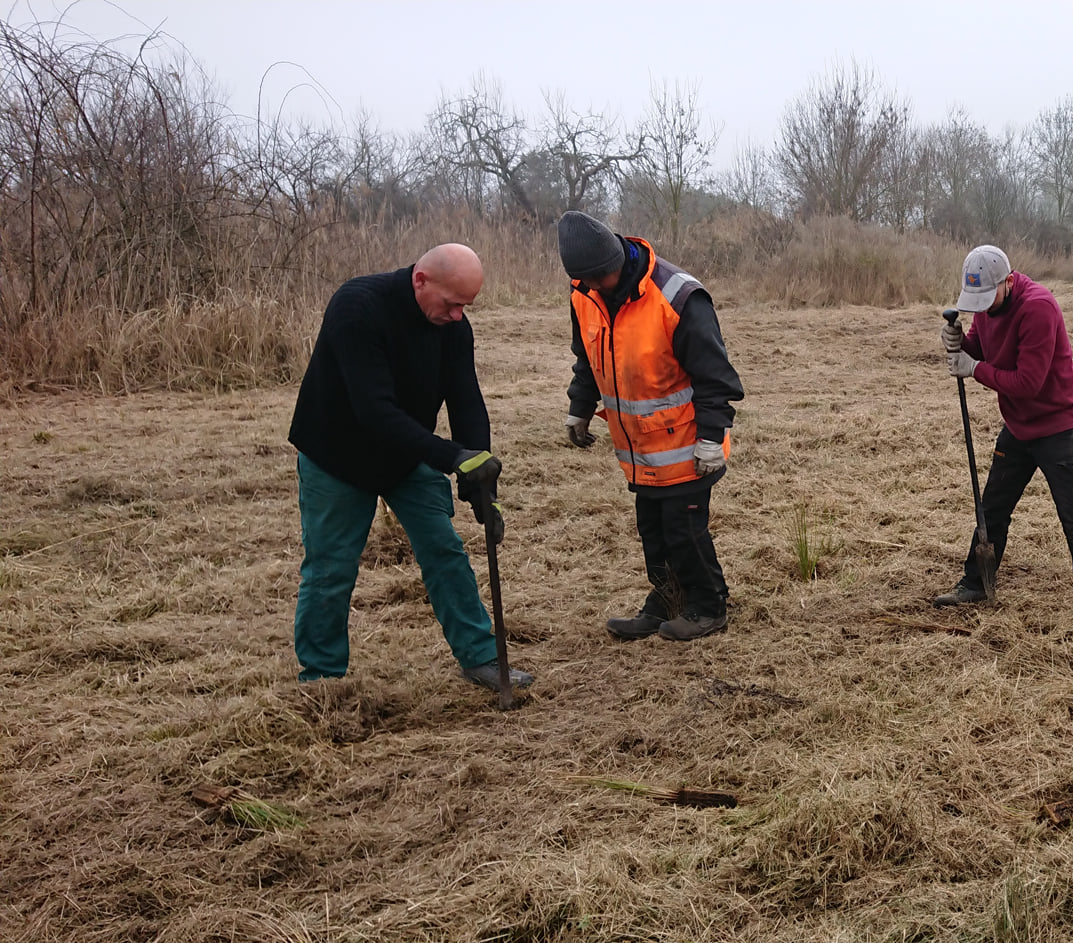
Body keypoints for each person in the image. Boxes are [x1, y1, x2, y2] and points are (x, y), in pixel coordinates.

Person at [287, 243, 532, 691]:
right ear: (421, 280)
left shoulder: (453, 327)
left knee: (445, 550)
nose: (459, 315)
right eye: (453, 303)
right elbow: (374, 412)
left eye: (467, 306)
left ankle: (481, 657)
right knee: (331, 569)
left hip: (404, 456)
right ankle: (321, 680)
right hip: (337, 456)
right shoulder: (357, 307)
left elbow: (466, 401)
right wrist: (449, 457)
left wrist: (481, 487)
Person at [557, 211, 744, 642]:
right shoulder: (583, 293)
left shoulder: (678, 296)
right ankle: (666, 600)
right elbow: (587, 356)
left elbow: (716, 378)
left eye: (603, 276)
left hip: (689, 447)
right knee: (654, 532)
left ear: (618, 256)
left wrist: (712, 438)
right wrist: (579, 405)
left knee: (685, 531)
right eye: (589, 281)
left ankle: (708, 606)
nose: (598, 286)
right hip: (639, 453)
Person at [934, 245, 1073, 609]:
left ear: (1010, 282)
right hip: (1018, 425)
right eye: (977, 301)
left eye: (988, 297)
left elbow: (1027, 382)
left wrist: (974, 369)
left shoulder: (1038, 308)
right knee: (993, 507)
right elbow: (982, 347)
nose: (982, 307)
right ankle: (977, 584)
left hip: (1058, 425)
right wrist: (960, 344)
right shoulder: (988, 307)